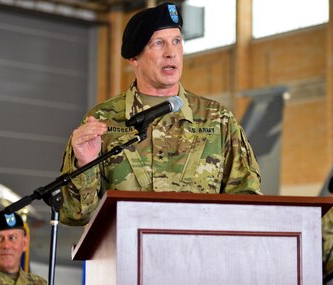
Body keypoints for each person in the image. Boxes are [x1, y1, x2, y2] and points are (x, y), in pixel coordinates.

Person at [59, 2, 262, 226]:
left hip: (199, 254)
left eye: (176, 41)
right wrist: (83, 165)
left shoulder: (217, 119)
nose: (171, 53)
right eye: (158, 43)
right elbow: (75, 215)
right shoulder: (103, 120)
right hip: (128, 255)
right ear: (134, 58)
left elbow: (248, 204)